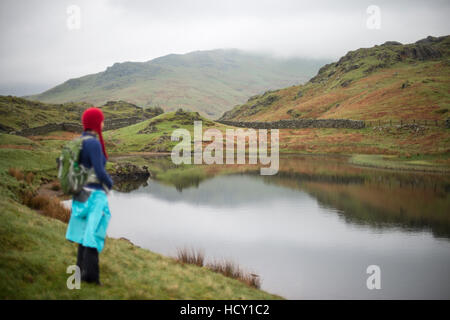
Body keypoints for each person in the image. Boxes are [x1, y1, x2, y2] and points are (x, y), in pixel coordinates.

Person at [65, 107, 113, 285]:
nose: (103, 123)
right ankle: (91, 277)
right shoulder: (93, 143)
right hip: (94, 195)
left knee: (83, 233)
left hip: (80, 194)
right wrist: (109, 183)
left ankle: (78, 275)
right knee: (93, 234)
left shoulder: (79, 141)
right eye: (101, 120)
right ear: (95, 122)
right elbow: (100, 171)